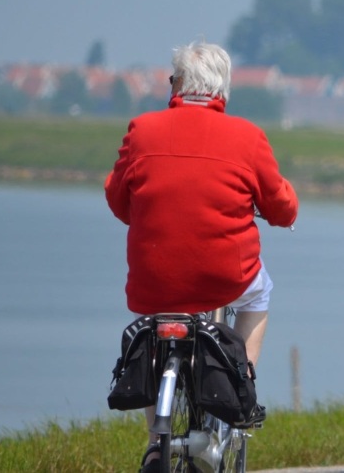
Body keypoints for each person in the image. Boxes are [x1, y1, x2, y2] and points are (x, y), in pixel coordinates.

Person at [105, 41, 298, 472]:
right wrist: (281, 212)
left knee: (159, 328)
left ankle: (158, 439)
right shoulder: (248, 137)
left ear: (177, 85)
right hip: (226, 273)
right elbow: (282, 206)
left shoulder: (142, 129)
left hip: (155, 276)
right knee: (258, 296)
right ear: (223, 90)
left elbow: (118, 202)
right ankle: (240, 392)